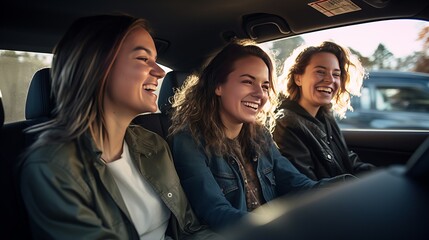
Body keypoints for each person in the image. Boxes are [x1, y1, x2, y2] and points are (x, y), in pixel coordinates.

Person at [18, 14, 219, 240]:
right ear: (97, 67)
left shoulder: (152, 144)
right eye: (143, 59)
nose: (160, 72)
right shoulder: (51, 166)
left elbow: (189, 229)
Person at [168, 39, 355, 231]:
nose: (260, 94)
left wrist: (349, 185)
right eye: (248, 81)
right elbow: (215, 211)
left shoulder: (260, 136)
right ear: (218, 85)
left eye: (265, 86)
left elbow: (298, 185)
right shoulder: (189, 140)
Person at [273, 41, 375, 181]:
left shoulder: (325, 116)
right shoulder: (286, 124)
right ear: (298, 78)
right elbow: (306, 187)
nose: (330, 80)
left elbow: (346, 160)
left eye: (336, 74)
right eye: (320, 72)